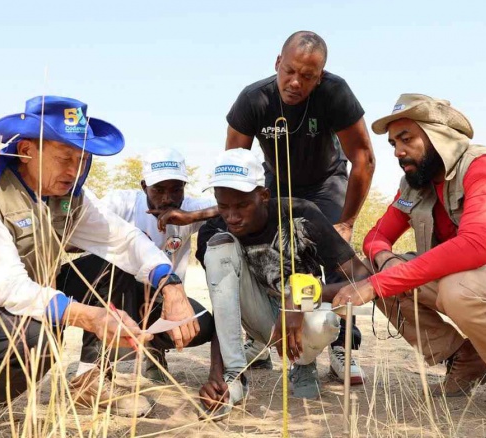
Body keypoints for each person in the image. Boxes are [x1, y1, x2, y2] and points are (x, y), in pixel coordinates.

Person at [0, 96, 201, 435]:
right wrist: (89, 316)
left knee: (116, 268)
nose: (74, 171)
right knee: (36, 336)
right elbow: (7, 287)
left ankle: (90, 380)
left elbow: (125, 241)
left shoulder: (70, 196)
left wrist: (172, 284)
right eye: (64, 158)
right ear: (28, 150)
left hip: (25, 299)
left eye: (82, 158)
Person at [332, 94, 486, 426]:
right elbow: (376, 237)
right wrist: (384, 266)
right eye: (393, 143)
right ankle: (465, 359)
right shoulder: (416, 183)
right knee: (371, 270)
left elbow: (475, 246)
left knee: (457, 288)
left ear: (440, 136)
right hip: (478, 281)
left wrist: (381, 282)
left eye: (406, 139)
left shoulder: (484, 168)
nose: (397, 151)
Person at [225, 30, 375, 382]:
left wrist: (349, 220)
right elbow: (233, 167)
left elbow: (363, 158)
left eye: (307, 77)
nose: (295, 82)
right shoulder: (253, 100)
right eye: (289, 71)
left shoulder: (335, 93)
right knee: (265, 251)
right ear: (277, 63)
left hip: (325, 182)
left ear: (320, 76)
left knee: (338, 256)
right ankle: (258, 340)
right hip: (276, 183)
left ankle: (344, 346)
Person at [196, 149, 372, 416]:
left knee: (326, 322)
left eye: (242, 205)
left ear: (263, 195)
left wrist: (300, 297)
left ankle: (303, 364)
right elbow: (223, 301)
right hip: (259, 317)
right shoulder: (216, 230)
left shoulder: (301, 214)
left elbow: (361, 277)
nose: (231, 216)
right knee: (218, 247)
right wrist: (215, 374)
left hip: (304, 319)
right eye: (223, 206)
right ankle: (234, 375)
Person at [98, 147, 217, 381]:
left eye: (176, 189)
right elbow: (81, 226)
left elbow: (240, 205)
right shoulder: (122, 203)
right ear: (144, 187)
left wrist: (192, 217)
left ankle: (155, 352)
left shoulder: (190, 208)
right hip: (118, 294)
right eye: (158, 190)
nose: (168, 199)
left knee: (204, 325)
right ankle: (98, 365)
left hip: (165, 298)